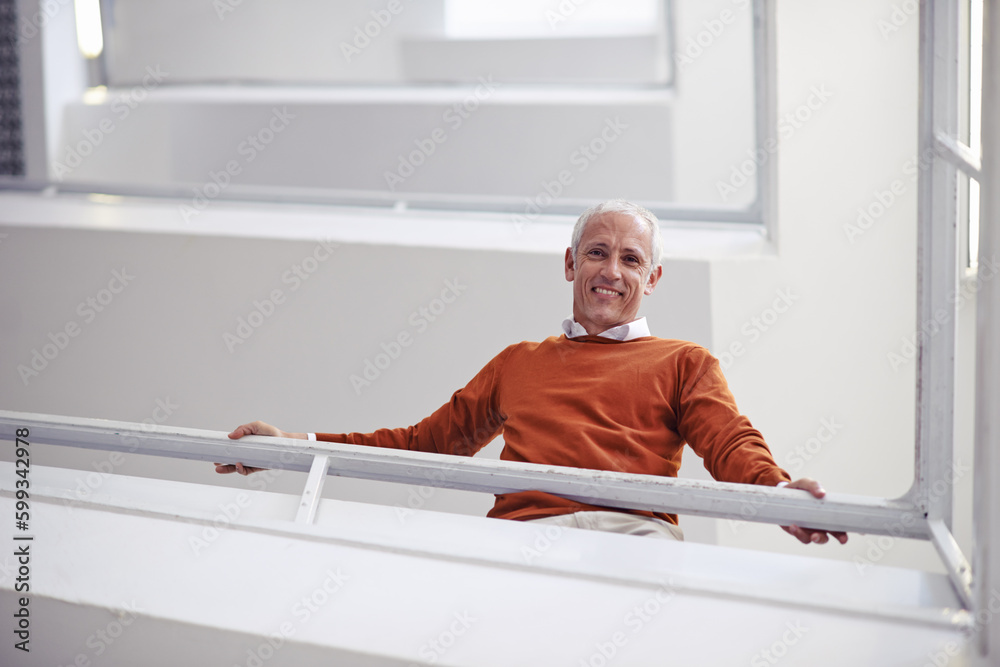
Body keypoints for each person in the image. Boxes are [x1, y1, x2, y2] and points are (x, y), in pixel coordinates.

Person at [219, 200, 848, 546]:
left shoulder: (683, 362)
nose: (612, 269)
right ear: (570, 263)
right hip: (522, 540)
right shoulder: (519, 362)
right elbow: (422, 444)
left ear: (651, 280)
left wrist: (774, 494)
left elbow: (728, 441)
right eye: (597, 252)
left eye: (631, 259)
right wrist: (293, 450)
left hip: (631, 538)